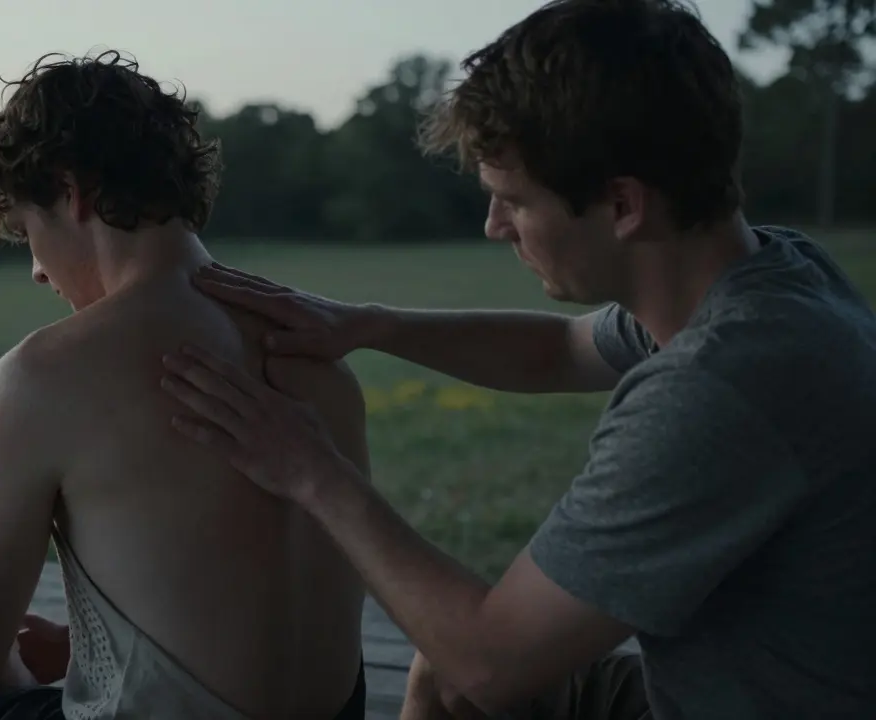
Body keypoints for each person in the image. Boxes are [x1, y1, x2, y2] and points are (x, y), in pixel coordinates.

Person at [157, 1, 876, 719]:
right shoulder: (775, 275)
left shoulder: (721, 386)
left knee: (463, 666)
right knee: (440, 675)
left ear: (623, 205)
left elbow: (490, 665)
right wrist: (369, 326)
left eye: (513, 201)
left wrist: (310, 471)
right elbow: (558, 350)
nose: (494, 226)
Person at [0, 50, 373, 720]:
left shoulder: (42, 376)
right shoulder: (318, 349)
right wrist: (85, 653)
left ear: (69, 192)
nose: (38, 272)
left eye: (26, 232)